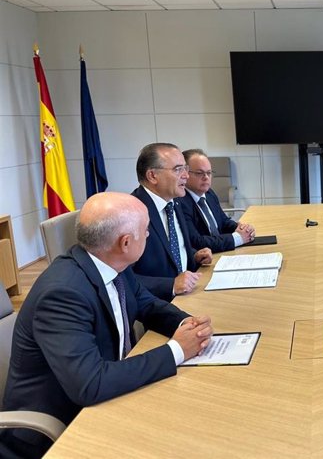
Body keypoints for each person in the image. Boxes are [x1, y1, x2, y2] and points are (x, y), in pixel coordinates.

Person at [0, 192, 213, 459]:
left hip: (106, 397)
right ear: (125, 242)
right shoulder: (63, 293)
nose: (149, 235)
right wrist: (177, 350)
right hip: (55, 433)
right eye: (145, 230)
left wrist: (186, 323)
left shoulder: (110, 263)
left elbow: (148, 305)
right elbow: (90, 384)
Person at [131, 143, 212, 301]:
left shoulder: (174, 202)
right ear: (153, 176)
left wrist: (193, 256)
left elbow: (170, 250)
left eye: (185, 169)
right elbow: (121, 277)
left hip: (191, 291)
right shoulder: (132, 214)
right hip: (157, 304)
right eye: (178, 169)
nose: (186, 176)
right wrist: (171, 285)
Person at [179, 148, 255, 253]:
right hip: (205, 260)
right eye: (199, 173)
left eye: (209, 173)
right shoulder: (180, 202)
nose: (206, 177)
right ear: (184, 174)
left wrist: (242, 228)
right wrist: (238, 238)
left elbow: (223, 222)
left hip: (222, 252)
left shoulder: (209, 194)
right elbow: (197, 242)